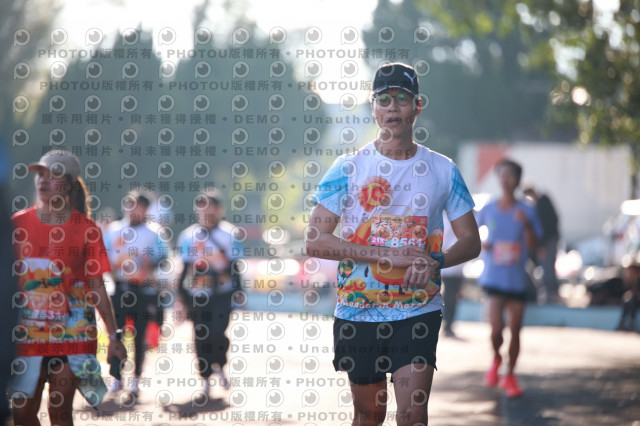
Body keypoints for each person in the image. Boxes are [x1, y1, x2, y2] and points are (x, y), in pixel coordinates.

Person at [306, 63, 481, 426]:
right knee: (370, 415)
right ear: (373, 107)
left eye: (402, 99)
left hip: (418, 309)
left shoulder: (443, 169)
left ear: (417, 106)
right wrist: (387, 255)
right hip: (359, 310)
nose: (392, 108)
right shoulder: (348, 168)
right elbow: (315, 240)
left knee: (412, 415)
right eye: (384, 100)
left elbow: (470, 240)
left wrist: (436, 260)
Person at [8, 150, 127, 426]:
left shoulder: (87, 229)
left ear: (70, 184)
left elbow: (96, 286)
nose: (43, 181)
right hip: (27, 333)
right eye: (40, 174)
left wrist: (113, 335)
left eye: (52, 176)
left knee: (59, 410)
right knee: (22, 414)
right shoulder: (17, 224)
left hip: (73, 332)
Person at [476, 159, 542, 398]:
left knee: (515, 330)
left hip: (516, 280)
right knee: (496, 330)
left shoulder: (527, 210)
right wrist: (483, 243)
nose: (505, 179)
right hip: (493, 278)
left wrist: (526, 226)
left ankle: (510, 375)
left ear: (518, 180)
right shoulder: (489, 208)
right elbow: (471, 233)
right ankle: (496, 358)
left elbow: (535, 246)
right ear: (498, 178)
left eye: (510, 175)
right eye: (502, 174)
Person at [103, 190, 171, 395]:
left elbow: (164, 259)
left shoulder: (154, 232)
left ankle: (136, 378)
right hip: (120, 289)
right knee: (116, 334)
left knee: (140, 336)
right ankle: (116, 376)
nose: (133, 210)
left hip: (144, 290)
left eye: (138, 206)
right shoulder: (115, 229)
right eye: (130, 204)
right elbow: (104, 256)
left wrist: (146, 267)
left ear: (146, 209)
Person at [176, 188, 242, 397]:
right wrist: (180, 295)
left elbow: (235, 265)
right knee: (200, 334)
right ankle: (205, 377)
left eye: (211, 207)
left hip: (222, 292)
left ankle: (220, 364)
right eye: (202, 207)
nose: (207, 212)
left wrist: (239, 290)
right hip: (197, 293)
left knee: (218, 332)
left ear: (220, 209)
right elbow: (184, 267)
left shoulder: (230, 233)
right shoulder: (188, 235)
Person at [523, 185, 560, 303]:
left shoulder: (542, 204)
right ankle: (551, 292)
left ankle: (552, 293)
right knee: (547, 266)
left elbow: (546, 226)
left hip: (548, 241)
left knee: (547, 267)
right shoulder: (541, 203)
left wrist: (542, 246)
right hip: (549, 239)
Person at [440, 212, 466, 337]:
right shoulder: (458, 219)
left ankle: (448, 324)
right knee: (451, 296)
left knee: (450, 296)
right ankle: (448, 324)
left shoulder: (447, 219)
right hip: (453, 265)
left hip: (452, 265)